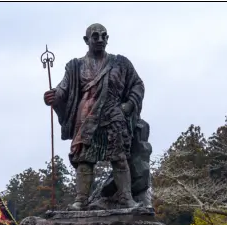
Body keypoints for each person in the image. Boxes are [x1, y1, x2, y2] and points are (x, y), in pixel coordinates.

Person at [43, 23, 152, 211]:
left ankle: (126, 198)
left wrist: (129, 105)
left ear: (107, 39)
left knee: (119, 157)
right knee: (84, 159)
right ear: (87, 40)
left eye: (103, 36)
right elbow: (64, 88)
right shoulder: (75, 66)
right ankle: (81, 200)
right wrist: (54, 96)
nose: (100, 39)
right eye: (95, 36)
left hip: (114, 114)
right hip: (86, 116)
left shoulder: (121, 63)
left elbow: (137, 84)